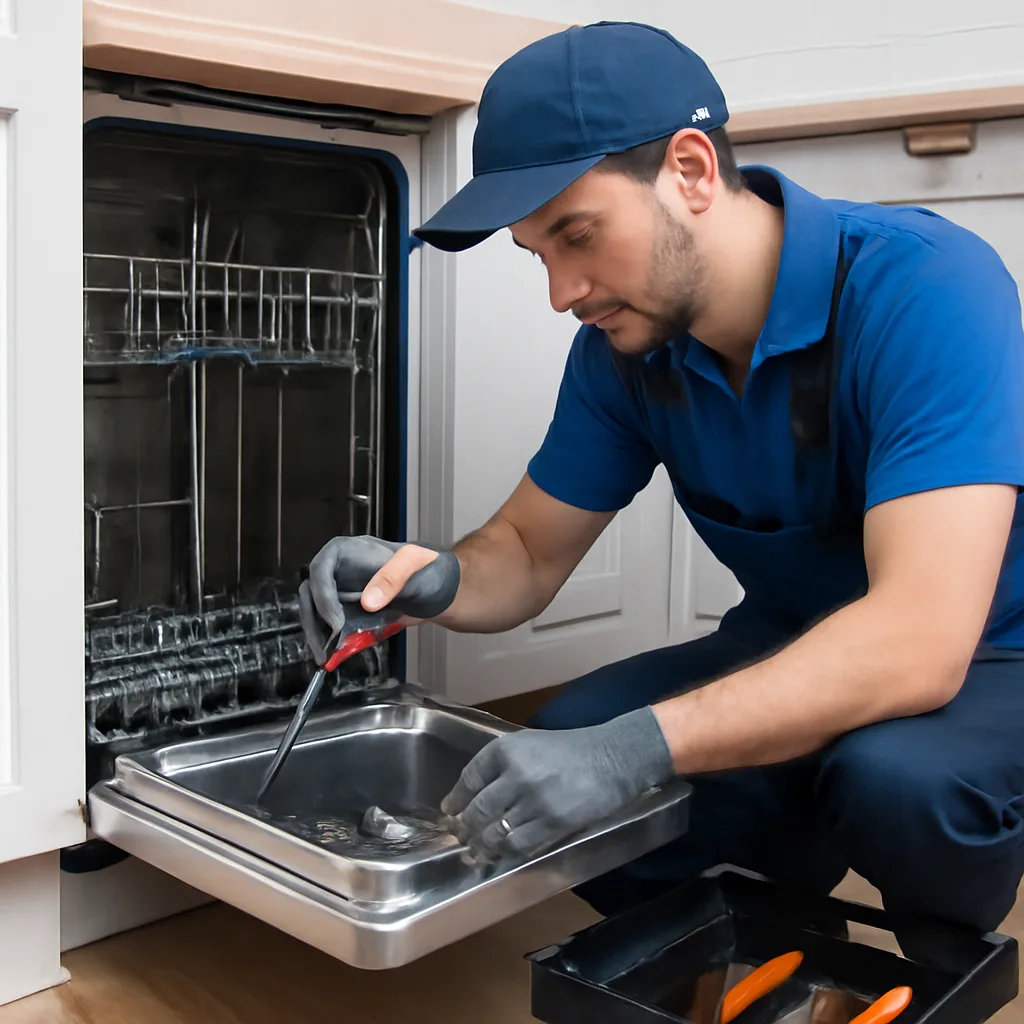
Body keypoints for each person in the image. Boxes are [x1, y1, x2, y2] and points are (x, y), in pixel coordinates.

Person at [299, 20, 1024, 938]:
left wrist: (636, 751)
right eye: (539, 255)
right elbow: (527, 549)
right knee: (556, 755)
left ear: (690, 170)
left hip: (991, 652)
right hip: (789, 639)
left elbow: (919, 639)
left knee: (899, 784)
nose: (562, 293)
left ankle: (937, 952)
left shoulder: (925, 287)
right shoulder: (623, 352)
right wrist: (433, 579)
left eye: (578, 236)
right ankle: (770, 936)